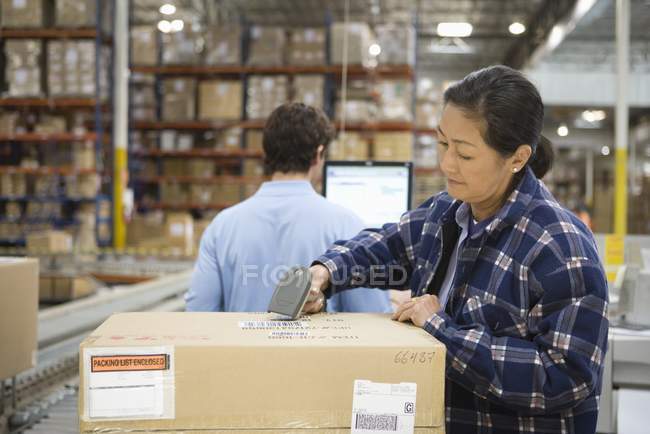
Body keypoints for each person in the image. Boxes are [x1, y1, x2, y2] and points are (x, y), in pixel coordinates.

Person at [305, 66, 608, 434]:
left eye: (464, 154)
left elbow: (565, 377)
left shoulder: (560, 247)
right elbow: (388, 246)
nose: (446, 164)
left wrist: (441, 329)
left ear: (517, 158)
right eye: (443, 144)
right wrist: (326, 271)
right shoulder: (447, 212)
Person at [186, 102, 391, 313]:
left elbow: (199, 311)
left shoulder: (222, 226)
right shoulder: (347, 225)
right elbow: (371, 314)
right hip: (319, 347)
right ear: (318, 154)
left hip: (243, 345)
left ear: (266, 153)